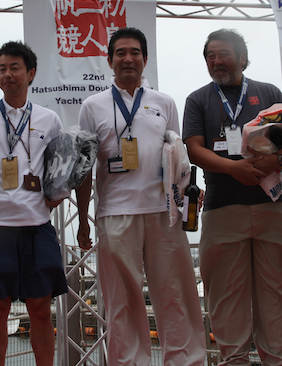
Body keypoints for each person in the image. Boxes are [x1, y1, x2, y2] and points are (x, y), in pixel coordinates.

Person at [76, 27, 206, 366]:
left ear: (145, 59)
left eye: (135, 52)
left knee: (175, 294)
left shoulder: (164, 102)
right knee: (122, 300)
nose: (128, 59)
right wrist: (83, 220)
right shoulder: (92, 106)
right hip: (115, 213)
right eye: (120, 53)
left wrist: (186, 198)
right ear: (110, 61)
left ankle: (185, 361)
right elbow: (85, 167)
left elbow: (178, 158)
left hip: (165, 212)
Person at [182, 28, 282, 366]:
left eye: (224, 54)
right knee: (224, 292)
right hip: (222, 209)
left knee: (280, 289)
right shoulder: (198, 99)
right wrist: (233, 169)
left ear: (243, 58)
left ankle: (277, 359)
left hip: (273, 206)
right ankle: (234, 359)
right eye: (210, 56)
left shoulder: (269, 92)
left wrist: (276, 161)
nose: (216, 61)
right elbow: (193, 149)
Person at [0, 41, 67, 366]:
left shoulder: (49, 119)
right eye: (2, 69)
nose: (7, 74)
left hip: (37, 224)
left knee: (41, 309)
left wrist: (58, 194)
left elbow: (59, 168)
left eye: (14, 68)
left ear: (31, 73)